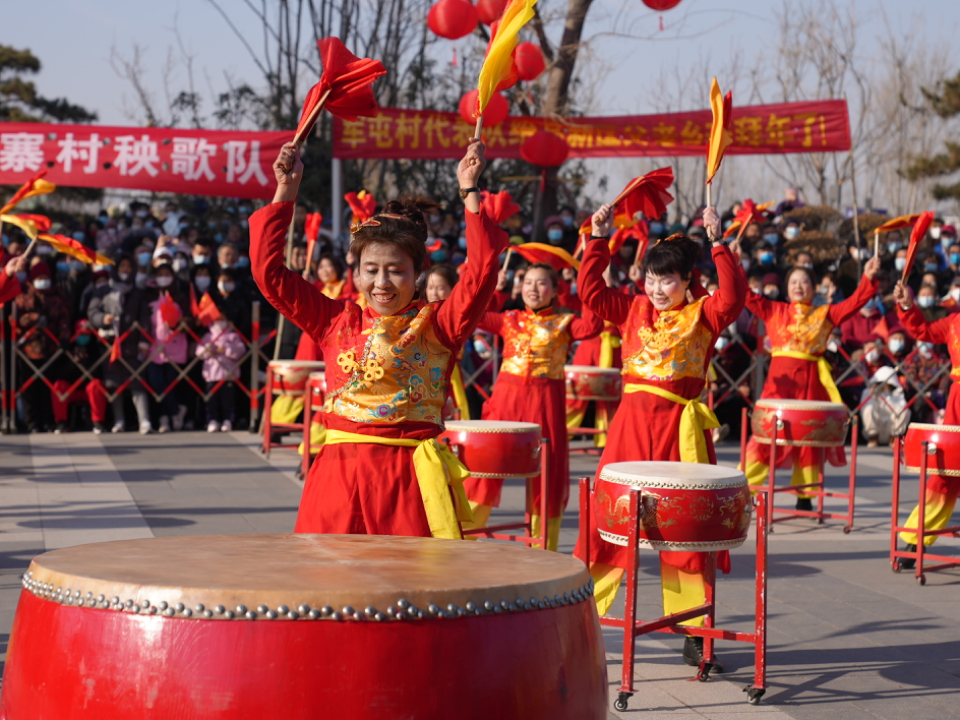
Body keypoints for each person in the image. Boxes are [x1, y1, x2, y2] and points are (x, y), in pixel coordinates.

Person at [251, 139, 506, 538]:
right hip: (336, 478)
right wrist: (286, 190)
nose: (381, 283)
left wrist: (469, 188)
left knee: (409, 594)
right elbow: (270, 275)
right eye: (371, 270)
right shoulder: (335, 320)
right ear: (356, 273)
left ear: (417, 273)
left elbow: (482, 270)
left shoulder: (439, 325)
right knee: (328, 589)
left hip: (408, 482)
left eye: (396, 271)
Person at [573, 203, 746, 669]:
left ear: (688, 279)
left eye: (667, 280)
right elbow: (591, 292)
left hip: (678, 433)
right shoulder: (631, 309)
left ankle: (694, 631)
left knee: (684, 532)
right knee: (608, 527)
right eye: (651, 279)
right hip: (628, 432)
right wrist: (597, 239)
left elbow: (734, 296)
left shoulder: (705, 315)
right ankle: (581, 621)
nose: (656, 288)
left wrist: (719, 242)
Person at [462, 263, 602, 551]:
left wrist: (582, 290)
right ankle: (462, 536)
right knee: (485, 470)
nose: (533, 289)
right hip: (505, 405)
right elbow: (472, 314)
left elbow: (594, 325)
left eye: (541, 283)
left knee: (546, 476)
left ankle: (543, 549)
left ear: (554, 290)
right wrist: (496, 290)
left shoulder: (565, 323)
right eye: (527, 282)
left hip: (544, 407)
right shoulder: (509, 319)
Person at [742, 257, 880, 509]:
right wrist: (735, 262)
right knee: (763, 436)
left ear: (814, 288)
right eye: (793, 282)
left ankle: (805, 494)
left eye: (804, 282)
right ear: (787, 287)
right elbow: (743, 293)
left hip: (810, 384)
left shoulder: (824, 314)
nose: (798, 286)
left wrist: (868, 278)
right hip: (778, 386)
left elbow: (853, 303)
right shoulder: (774, 310)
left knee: (808, 438)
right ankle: (744, 490)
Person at [892, 279, 960, 567]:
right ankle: (915, 539)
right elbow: (924, 330)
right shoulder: (954, 322)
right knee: (946, 472)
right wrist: (907, 304)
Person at [196, 317, 245, 433]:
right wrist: (210, 348)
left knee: (228, 400)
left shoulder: (233, 336)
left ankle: (227, 420)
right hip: (212, 375)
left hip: (228, 375)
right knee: (212, 400)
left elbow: (241, 351)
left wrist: (227, 349)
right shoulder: (208, 336)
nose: (220, 322)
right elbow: (199, 353)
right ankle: (212, 420)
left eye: (223, 319)